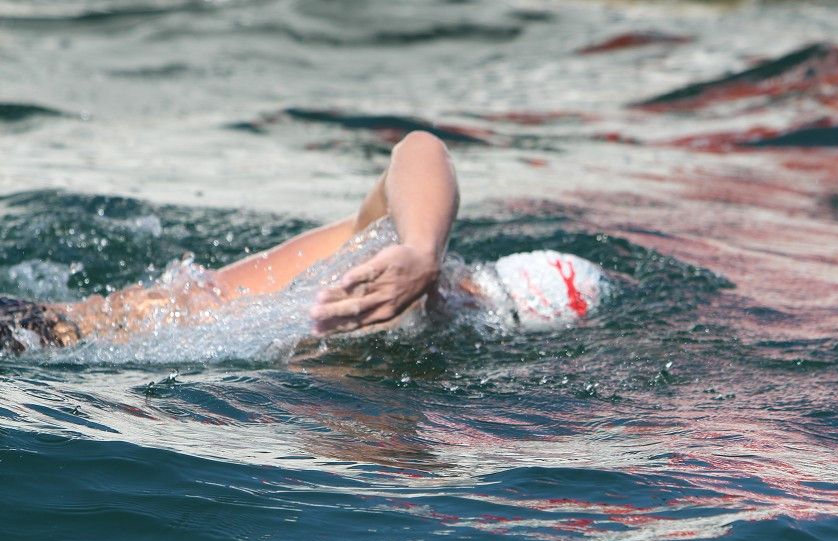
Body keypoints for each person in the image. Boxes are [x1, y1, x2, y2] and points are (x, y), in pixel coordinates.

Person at [0, 132, 610, 358]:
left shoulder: (388, 305)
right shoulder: (388, 248)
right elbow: (420, 148)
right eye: (471, 287)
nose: (459, 298)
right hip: (48, 336)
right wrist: (423, 253)